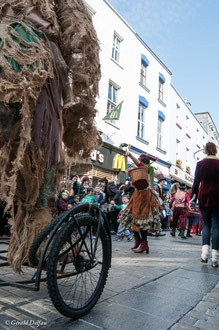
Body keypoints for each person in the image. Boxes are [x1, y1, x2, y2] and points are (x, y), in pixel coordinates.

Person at [119, 151, 161, 254]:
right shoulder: (145, 170)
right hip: (138, 195)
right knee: (132, 218)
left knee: (142, 220)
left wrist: (130, 155)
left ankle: (144, 243)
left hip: (144, 196)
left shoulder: (147, 168)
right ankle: (138, 240)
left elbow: (138, 163)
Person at [191, 142, 219, 267]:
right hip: (218, 197)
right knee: (217, 226)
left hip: (204, 196)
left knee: (206, 224)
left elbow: (196, 183)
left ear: (205, 150)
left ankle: (204, 254)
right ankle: (215, 258)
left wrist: (193, 198)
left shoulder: (200, 164)